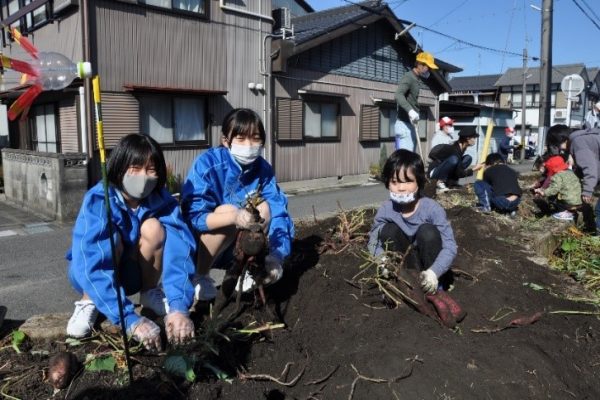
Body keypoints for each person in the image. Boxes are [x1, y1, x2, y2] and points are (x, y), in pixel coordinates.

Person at [66, 134, 197, 351]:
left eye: (151, 169)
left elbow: (179, 251)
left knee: (153, 228)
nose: (143, 176)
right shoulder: (100, 199)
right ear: (119, 167)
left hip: (134, 275)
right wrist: (128, 319)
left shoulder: (163, 201)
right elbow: (92, 258)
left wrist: (178, 306)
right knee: (111, 239)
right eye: (135, 168)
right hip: (89, 275)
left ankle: (149, 292)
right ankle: (90, 300)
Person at [181, 108, 295, 301]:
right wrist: (233, 217)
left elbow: (278, 210)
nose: (249, 145)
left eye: (255, 138)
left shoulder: (262, 168)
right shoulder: (207, 164)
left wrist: (277, 255)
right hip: (203, 247)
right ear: (226, 140)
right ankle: (200, 276)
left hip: (235, 246)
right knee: (228, 210)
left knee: (265, 208)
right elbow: (194, 215)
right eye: (241, 138)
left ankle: (249, 268)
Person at [368, 149, 463, 327]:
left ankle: (435, 290)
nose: (401, 187)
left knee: (428, 231)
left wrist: (434, 272)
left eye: (407, 181)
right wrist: (382, 260)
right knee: (387, 230)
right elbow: (373, 240)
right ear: (387, 183)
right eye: (394, 182)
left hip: (427, 265)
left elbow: (450, 246)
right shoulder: (386, 209)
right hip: (403, 265)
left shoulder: (431, 208)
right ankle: (398, 285)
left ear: (419, 182)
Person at [546, 124, 599, 232]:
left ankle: (597, 238)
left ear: (563, 140)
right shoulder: (583, 139)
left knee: (599, 211)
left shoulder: (578, 143)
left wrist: (587, 191)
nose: (559, 150)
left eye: (557, 145)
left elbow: (590, 168)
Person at [394, 51, 438, 152]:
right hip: (404, 125)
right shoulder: (409, 77)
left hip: (408, 125)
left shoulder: (415, 79)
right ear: (419, 64)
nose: (429, 70)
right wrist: (410, 111)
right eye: (428, 67)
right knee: (405, 163)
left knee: (408, 161)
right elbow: (398, 95)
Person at [428, 126, 484, 192]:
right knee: (454, 159)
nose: (475, 139)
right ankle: (440, 182)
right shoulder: (454, 150)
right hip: (435, 172)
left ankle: (452, 182)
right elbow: (460, 173)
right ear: (468, 138)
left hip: (442, 170)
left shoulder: (461, 148)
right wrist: (474, 169)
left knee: (468, 158)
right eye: (474, 137)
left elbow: (458, 169)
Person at [534, 155, 583, 221]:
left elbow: (554, 189)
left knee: (552, 197)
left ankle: (564, 212)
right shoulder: (570, 172)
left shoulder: (557, 176)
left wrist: (543, 192)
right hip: (578, 200)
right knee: (565, 192)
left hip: (569, 202)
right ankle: (571, 211)